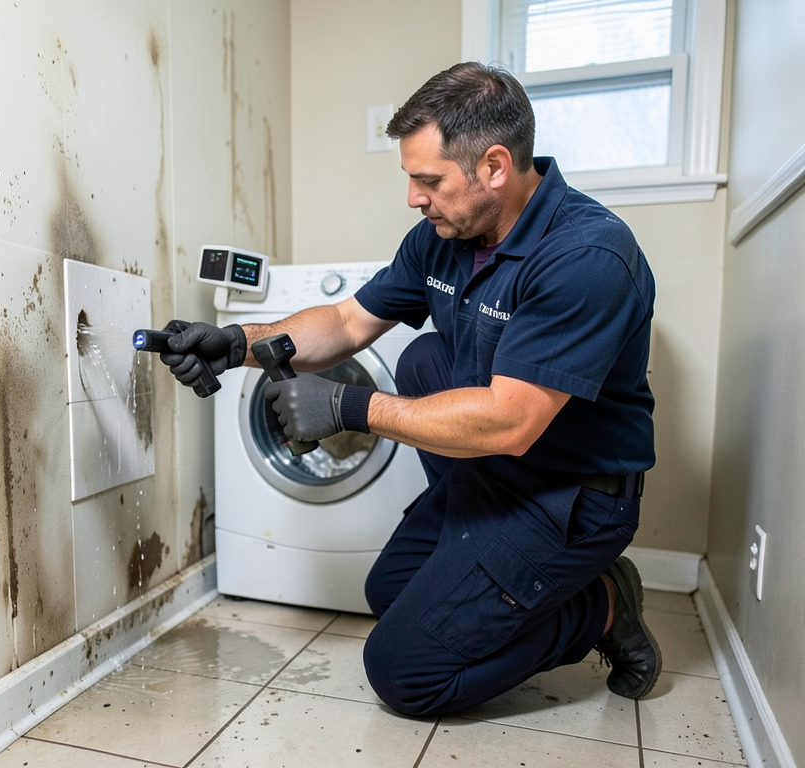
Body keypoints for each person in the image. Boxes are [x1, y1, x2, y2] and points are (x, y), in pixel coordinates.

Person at [159, 61, 661, 716]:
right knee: (389, 589)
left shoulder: (587, 257)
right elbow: (346, 320)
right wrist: (237, 344)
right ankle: (517, 580)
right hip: (491, 476)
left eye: (428, 180)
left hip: (569, 498)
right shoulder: (442, 239)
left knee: (404, 673)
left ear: (495, 167)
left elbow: (511, 421)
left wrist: (348, 405)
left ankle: (603, 604)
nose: (413, 199)